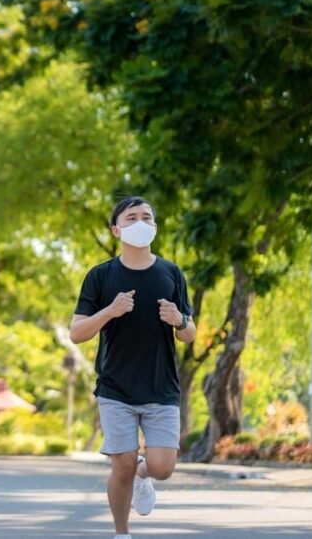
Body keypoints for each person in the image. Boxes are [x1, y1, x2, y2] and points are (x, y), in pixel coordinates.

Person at [70, 196, 196, 539]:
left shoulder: (171, 273)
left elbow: (189, 334)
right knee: (121, 466)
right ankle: (121, 533)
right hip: (116, 388)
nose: (141, 222)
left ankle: (145, 476)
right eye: (132, 217)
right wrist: (109, 311)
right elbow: (77, 333)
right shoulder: (100, 276)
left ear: (154, 226)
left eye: (147, 217)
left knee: (162, 468)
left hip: (161, 388)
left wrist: (179, 319)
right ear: (116, 229)